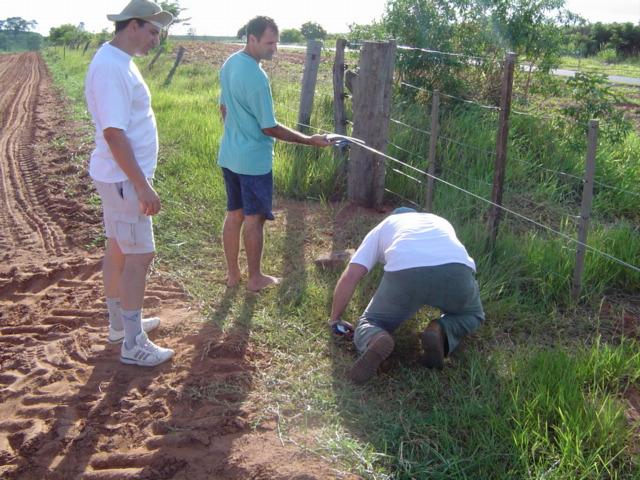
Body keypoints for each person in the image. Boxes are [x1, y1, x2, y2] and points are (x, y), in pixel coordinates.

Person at [85, 0, 174, 366]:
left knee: (118, 250)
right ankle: (133, 343)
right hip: (124, 179)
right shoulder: (111, 68)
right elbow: (114, 133)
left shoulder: (119, 62)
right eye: (153, 32)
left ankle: (121, 325)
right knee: (140, 255)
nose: (156, 40)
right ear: (132, 25)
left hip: (118, 177)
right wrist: (141, 185)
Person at [218, 16, 335, 292]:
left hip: (230, 155)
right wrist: (309, 140)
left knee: (233, 214)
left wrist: (237, 133)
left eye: (277, 42)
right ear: (252, 39)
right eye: (270, 43)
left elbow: (224, 109)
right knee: (253, 219)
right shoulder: (257, 77)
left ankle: (233, 275)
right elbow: (269, 127)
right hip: (254, 161)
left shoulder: (229, 63)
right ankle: (255, 278)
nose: (275, 48)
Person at [328, 207, 485, 384]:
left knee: (370, 321)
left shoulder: (385, 226)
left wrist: (335, 319)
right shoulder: (439, 220)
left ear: (394, 216)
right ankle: (441, 330)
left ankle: (375, 336)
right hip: (457, 271)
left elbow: (351, 276)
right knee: (472, 314)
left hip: (405, 272)